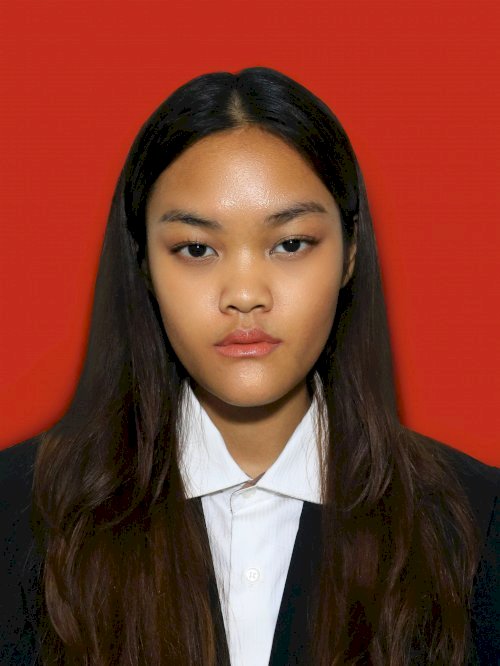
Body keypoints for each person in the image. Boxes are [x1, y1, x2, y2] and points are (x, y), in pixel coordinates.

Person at [0, 66, 498, 666]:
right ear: (143, 264)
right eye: (196, 249)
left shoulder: (477, 523)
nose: (244, 294)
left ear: (349, 253)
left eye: (290, 244)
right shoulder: (16, 516)